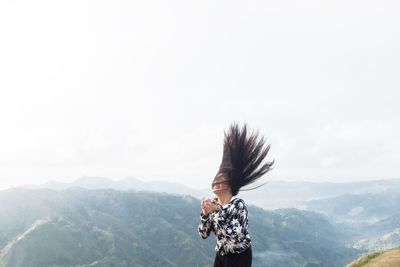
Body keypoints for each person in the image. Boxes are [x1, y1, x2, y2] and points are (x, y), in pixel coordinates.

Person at [198, 122, 274, 267]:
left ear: (230, 185)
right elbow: (203, 234)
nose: (216, 182)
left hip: (239, 257)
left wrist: (216, 212)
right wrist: (204, 214)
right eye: (216, 180)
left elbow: (233, 235)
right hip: (221, 254)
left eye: (221, 180)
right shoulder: (214, 203)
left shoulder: (238, 205)